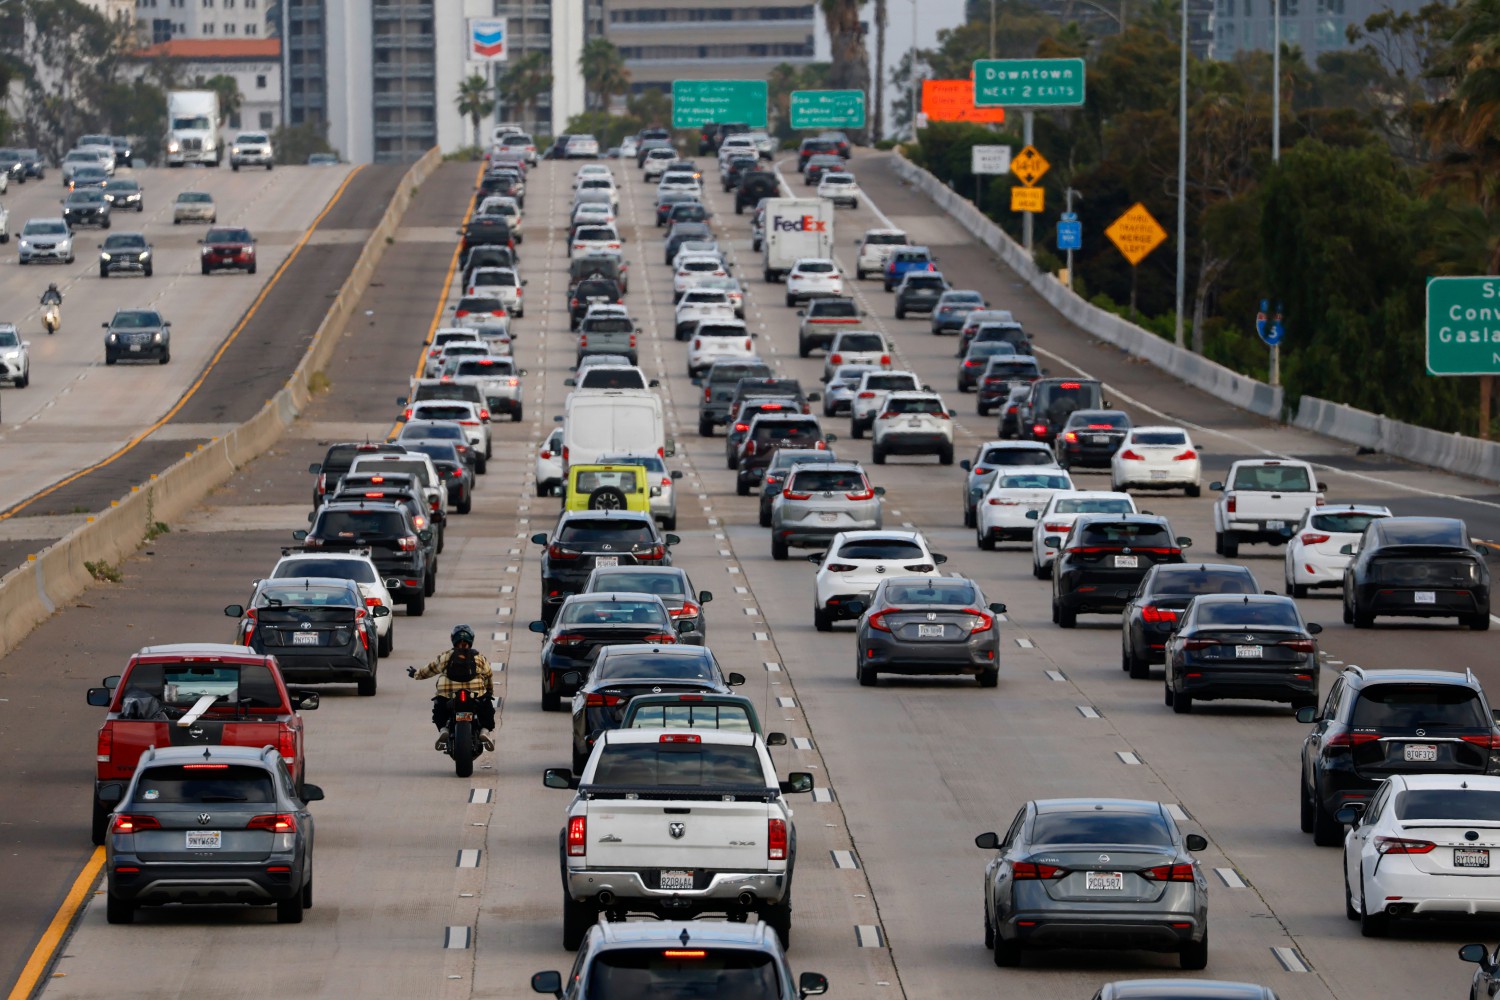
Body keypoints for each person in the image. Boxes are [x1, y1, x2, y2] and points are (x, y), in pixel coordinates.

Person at [408, 624, 495, 751]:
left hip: (448, 695)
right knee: (487, 709)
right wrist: (489, 692)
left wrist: (415, 674)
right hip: (475, 695)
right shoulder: (479, 658)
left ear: (453, 639)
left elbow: (429, 670)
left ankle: (443, 729)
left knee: (439, 709)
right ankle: (484, 731)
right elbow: (488, 675)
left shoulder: (445, 657)